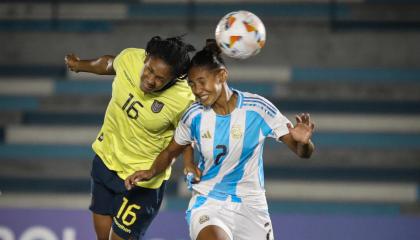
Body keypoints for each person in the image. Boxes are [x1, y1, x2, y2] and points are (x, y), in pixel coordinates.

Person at [125, 39, 315, 240]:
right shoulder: (193, 116)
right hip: (209, 201)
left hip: (251, 206)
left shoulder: (257, 108)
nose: (197, 90)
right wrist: (151, 171)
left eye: (201, 81)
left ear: (222, 75)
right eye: (191, 84)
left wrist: (304, 143)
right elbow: (171, 151)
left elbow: (303, 153)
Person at [64, 36, 196, 240]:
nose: (151, 80)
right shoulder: (131, 58)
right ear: (146, 58)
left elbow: (185, 138)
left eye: (161, 79)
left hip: (141, 179)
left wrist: (188, 163)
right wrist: (79, 65)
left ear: (174, 78)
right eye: (150, 70)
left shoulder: (182, 99)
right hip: (106, 160)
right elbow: (109, 64)